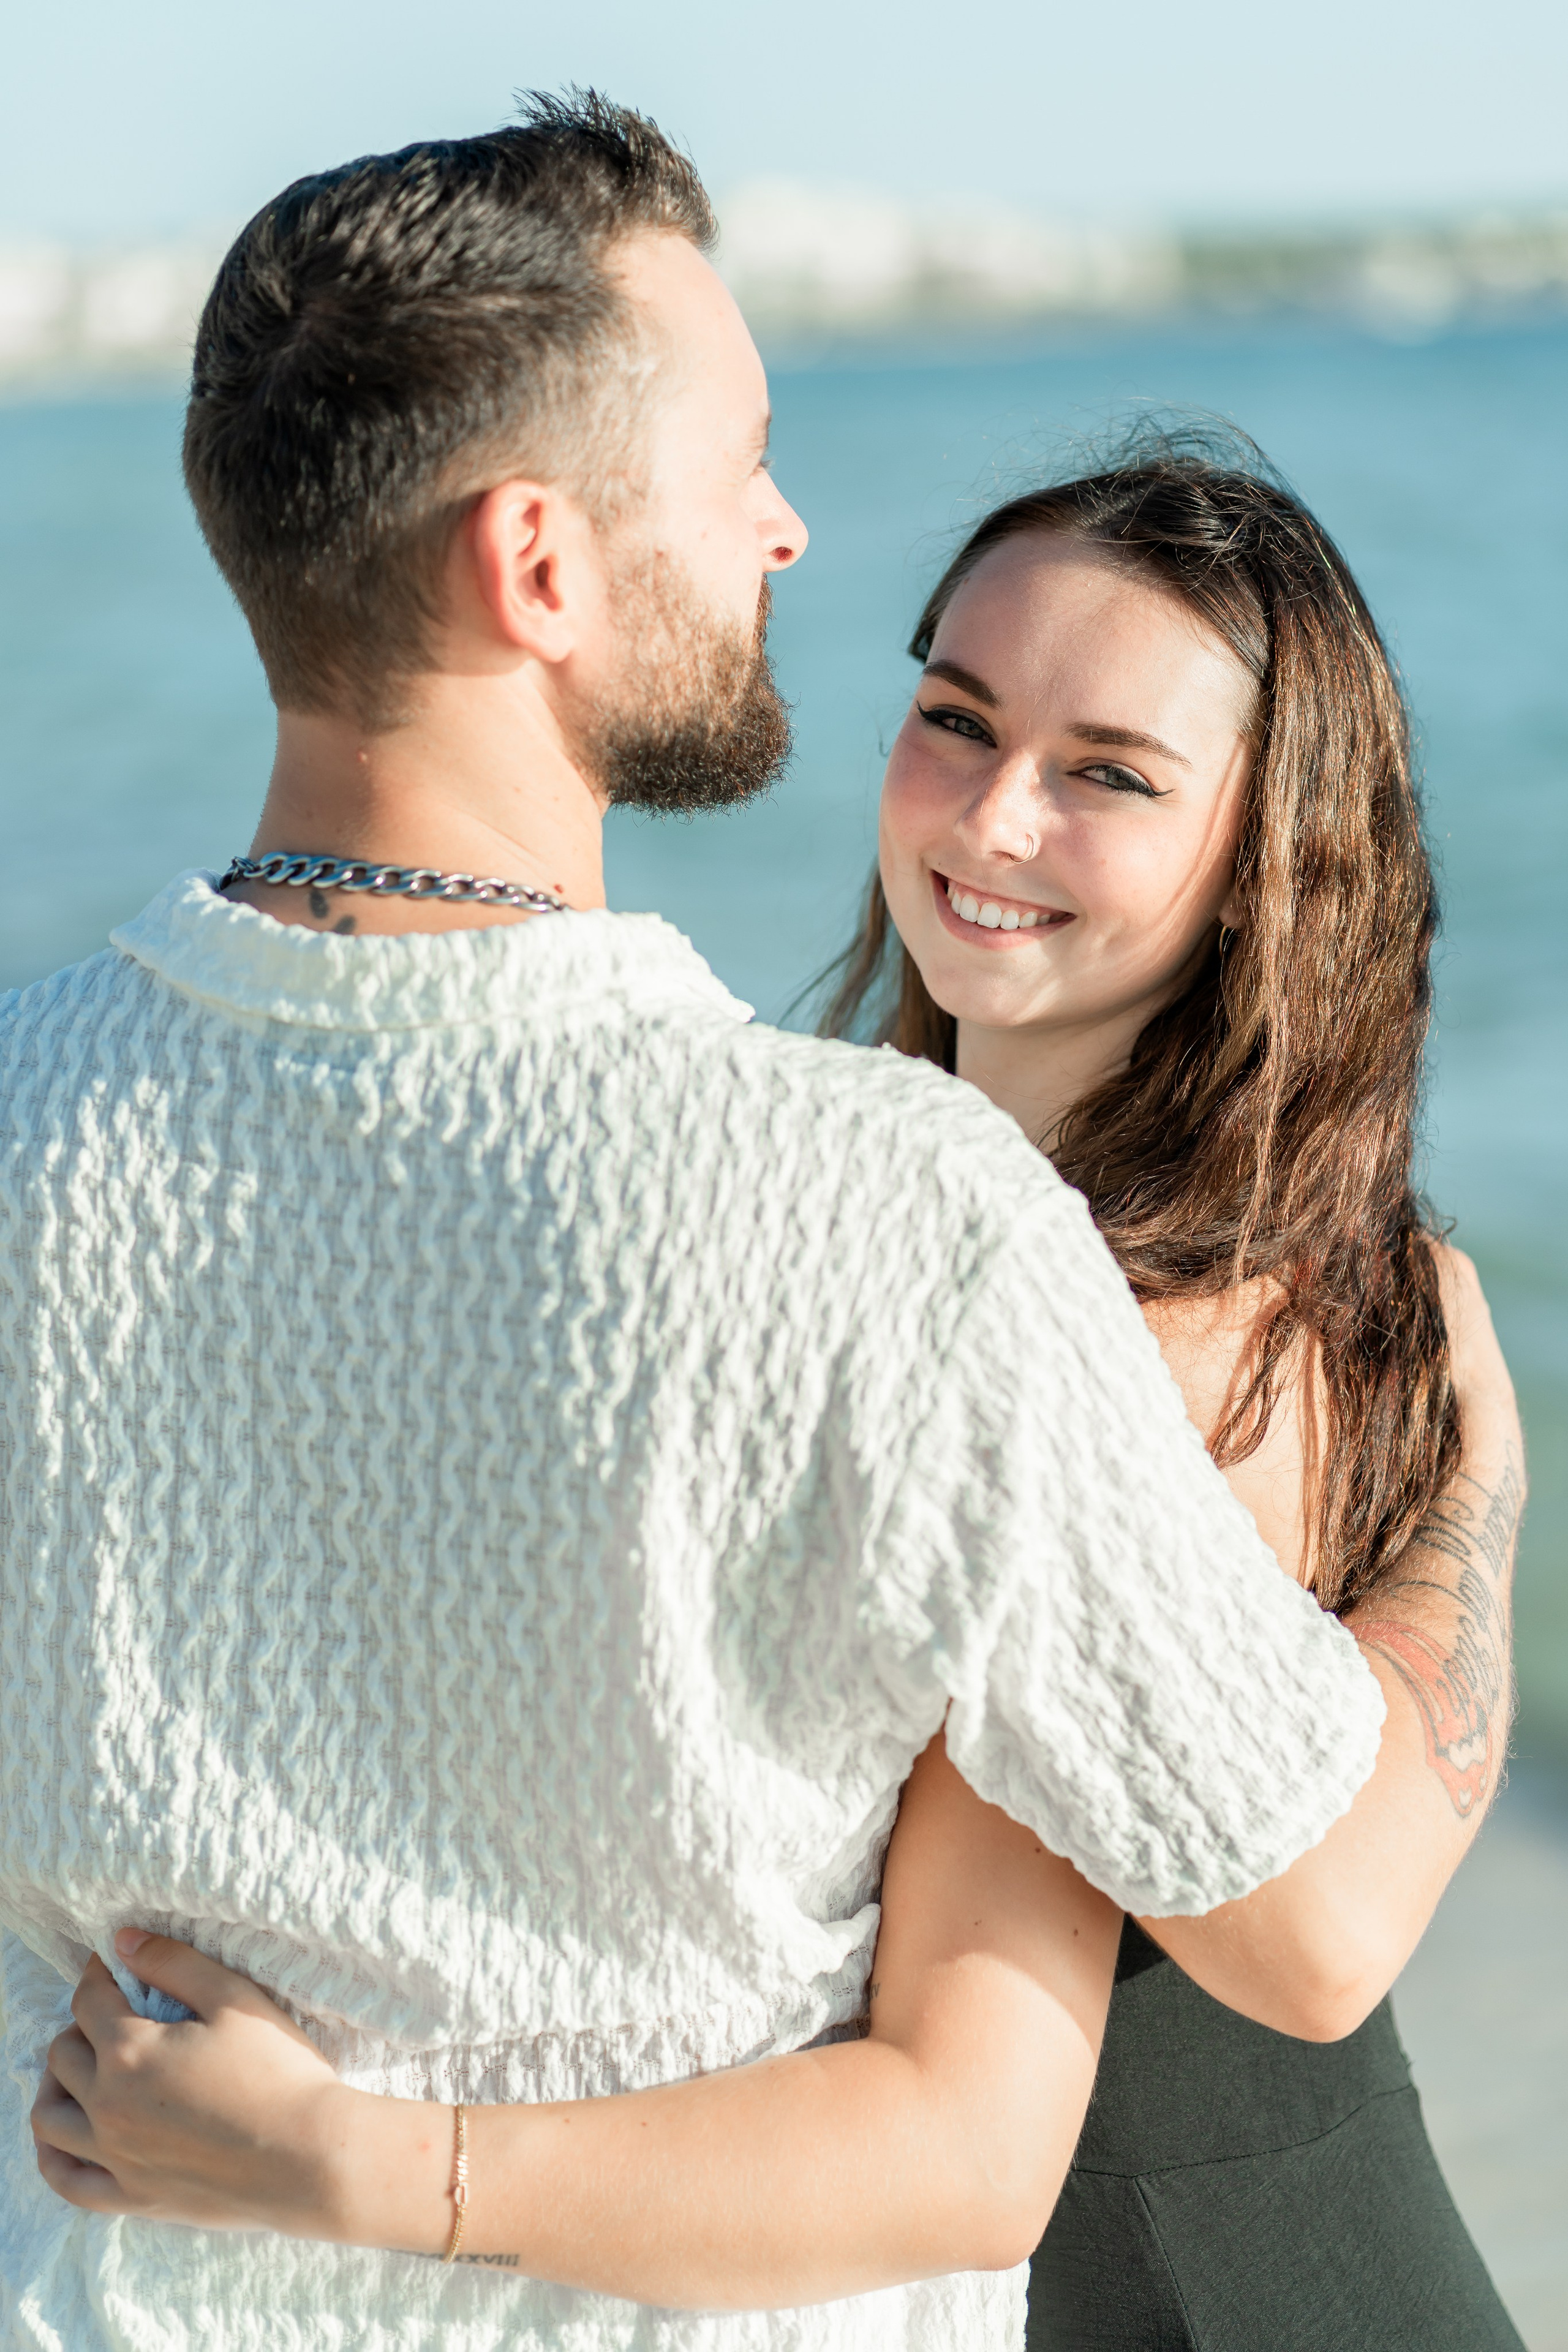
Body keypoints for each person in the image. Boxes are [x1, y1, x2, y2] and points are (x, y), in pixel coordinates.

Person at [0, 96, 1496, 2352]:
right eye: (740, 460)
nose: (787, 526)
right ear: (542, 564)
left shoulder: (26, 1116)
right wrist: (1468, 1482)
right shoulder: (891, 1224)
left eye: (1110, 766)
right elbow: (1283, 1916)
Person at [818, 443, 1527, 2348]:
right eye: (956, 720)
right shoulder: (1375, 1279)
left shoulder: (1154, 1331)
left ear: (1271, 857)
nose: (995, 814)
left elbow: (1306, 1935)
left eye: (1110, 772)